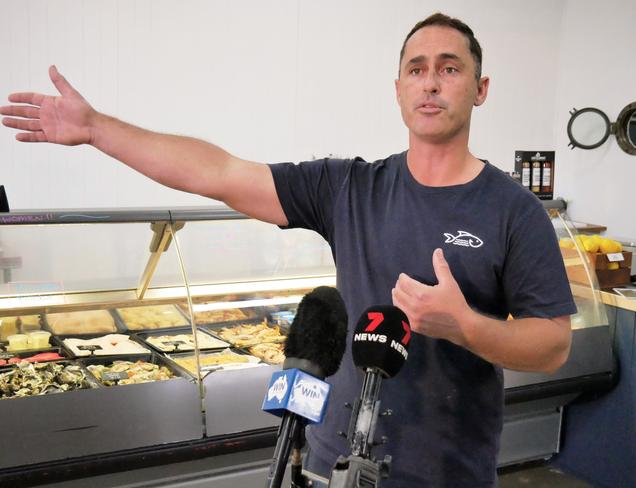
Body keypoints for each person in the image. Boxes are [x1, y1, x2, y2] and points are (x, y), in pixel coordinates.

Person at [1, 12, 575, 488]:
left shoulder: (513, 210)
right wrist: (98, 128)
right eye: (416, 69)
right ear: (397, 88)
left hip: (448, 473)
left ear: (480, 88)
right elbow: (218, 172)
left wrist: (463, 326)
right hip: (333, 465)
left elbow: (550, 346)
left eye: (450, 69)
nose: (431, 82)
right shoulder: (349, 187)